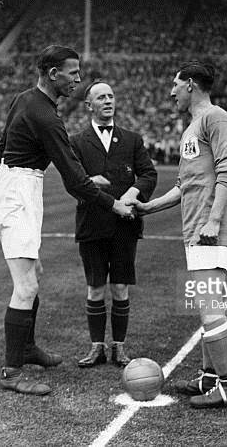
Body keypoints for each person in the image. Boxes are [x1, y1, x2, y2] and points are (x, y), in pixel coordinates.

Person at [0, 46, 134, 396]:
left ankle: (26, 347)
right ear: (53, 74)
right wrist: (112, 205)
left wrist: (73, 177)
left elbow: (5, 143)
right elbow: (73, 180)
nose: (79, 80)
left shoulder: (27, 99)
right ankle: (11, 372)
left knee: (33, 276)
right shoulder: (45, 116)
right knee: (26, 287)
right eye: (73, 73)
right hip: (18, 191)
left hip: (18, 182)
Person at [130, 61, 227, 408]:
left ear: (191, 84)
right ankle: (210, 377)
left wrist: (212, 222)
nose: (171, 92)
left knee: (210, 309)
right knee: (205, 308)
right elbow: (185, 185)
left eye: (175, 85)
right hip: (196, 227)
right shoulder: (192, 128)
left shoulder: (216, 118)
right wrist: (149, 208)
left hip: (211, 229)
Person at [69, 81, 157, 368]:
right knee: (95, 288)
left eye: (110, 96)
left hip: (125, 226)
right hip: (92, 225)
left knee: (120, 287)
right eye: (101, 97)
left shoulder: (132, 139)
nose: (107, 101)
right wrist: (88, 182)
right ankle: (97, 347)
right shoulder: (77, 142)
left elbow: (148, 174)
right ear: (89, 105)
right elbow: (73, 182)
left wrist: (134, 192)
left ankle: (119, 347)